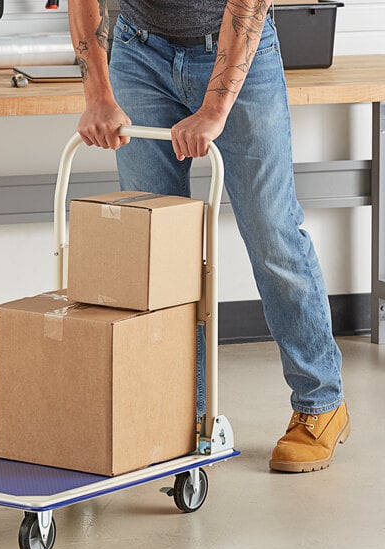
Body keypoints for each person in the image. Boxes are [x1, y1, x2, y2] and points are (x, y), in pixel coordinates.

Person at [67, 0, 350, 473]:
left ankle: (320, 402)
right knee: (151, 244)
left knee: (271, 233)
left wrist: (216, 108)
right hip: (139, 51)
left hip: (238, 47)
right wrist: (98, 93)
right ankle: (178, 419)